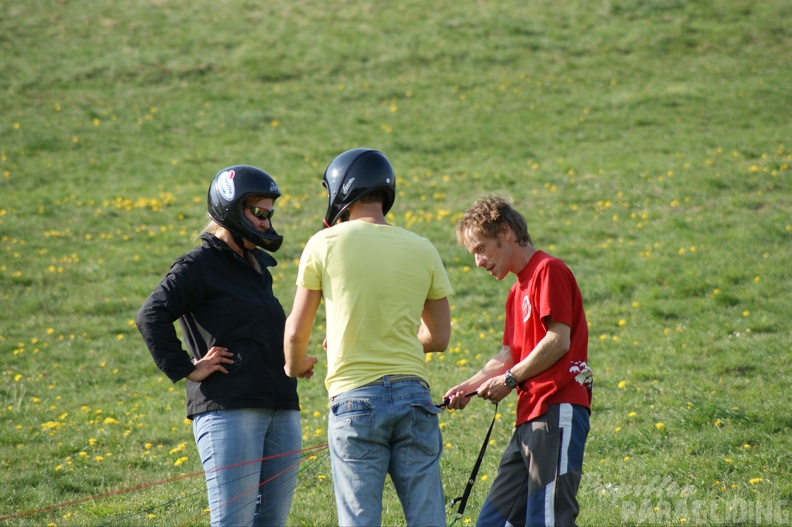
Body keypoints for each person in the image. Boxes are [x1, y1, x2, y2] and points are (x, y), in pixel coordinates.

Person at [283, 148, 453, 527]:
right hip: (415, 399)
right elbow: (439, 337)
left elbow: (296, 332)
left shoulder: (323, 244)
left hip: (355, 401)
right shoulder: (422, 247)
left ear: (343, 190)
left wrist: (296, 366)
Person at [136, 165, 301, 527]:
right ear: (230, 209)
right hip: (229, 409)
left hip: (281, 407)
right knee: (233, 522)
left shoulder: (258, 268)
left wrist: (294, 360)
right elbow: (151, 315)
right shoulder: (199, 265)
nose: (265, 222)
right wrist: (187, 369)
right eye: (258, 212)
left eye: (269, 213)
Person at [443, 195, 593, 527]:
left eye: (481, 249)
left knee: (549, 519)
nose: (479, 262)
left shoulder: (548, 270)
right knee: (492, 522)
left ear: (506, 233)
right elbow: (510, 353)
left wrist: (510, 380)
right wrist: (468, 388)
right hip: (530, 417)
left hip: (557, 407)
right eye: (474, 254)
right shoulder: (516, 291)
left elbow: (557, 340)